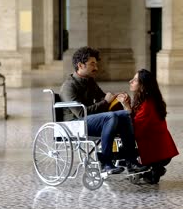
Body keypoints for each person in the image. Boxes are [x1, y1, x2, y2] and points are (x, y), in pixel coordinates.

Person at [60, 46, 148, 174]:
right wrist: (106, 101)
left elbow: (104, 99)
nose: (96, 67)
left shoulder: (90, 81)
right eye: (92, 64)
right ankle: (106, 161)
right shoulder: (69, 86)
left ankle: (131, 161)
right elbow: (80, 113)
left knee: (124, 114)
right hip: (75, 123)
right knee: (111, 117)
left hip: (90, 120)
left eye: (96, 63)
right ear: (80, 65)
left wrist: (117, 98)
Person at [117, 69, 179, 184]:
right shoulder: (149, 100)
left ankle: (145, 167)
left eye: (135, 80)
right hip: (161, 149)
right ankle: (154, 169)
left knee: (123, 145)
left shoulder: (147, 105)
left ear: (142, 85)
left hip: (158, 152)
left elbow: (133, 128)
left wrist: (126, 107)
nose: (130, 81)